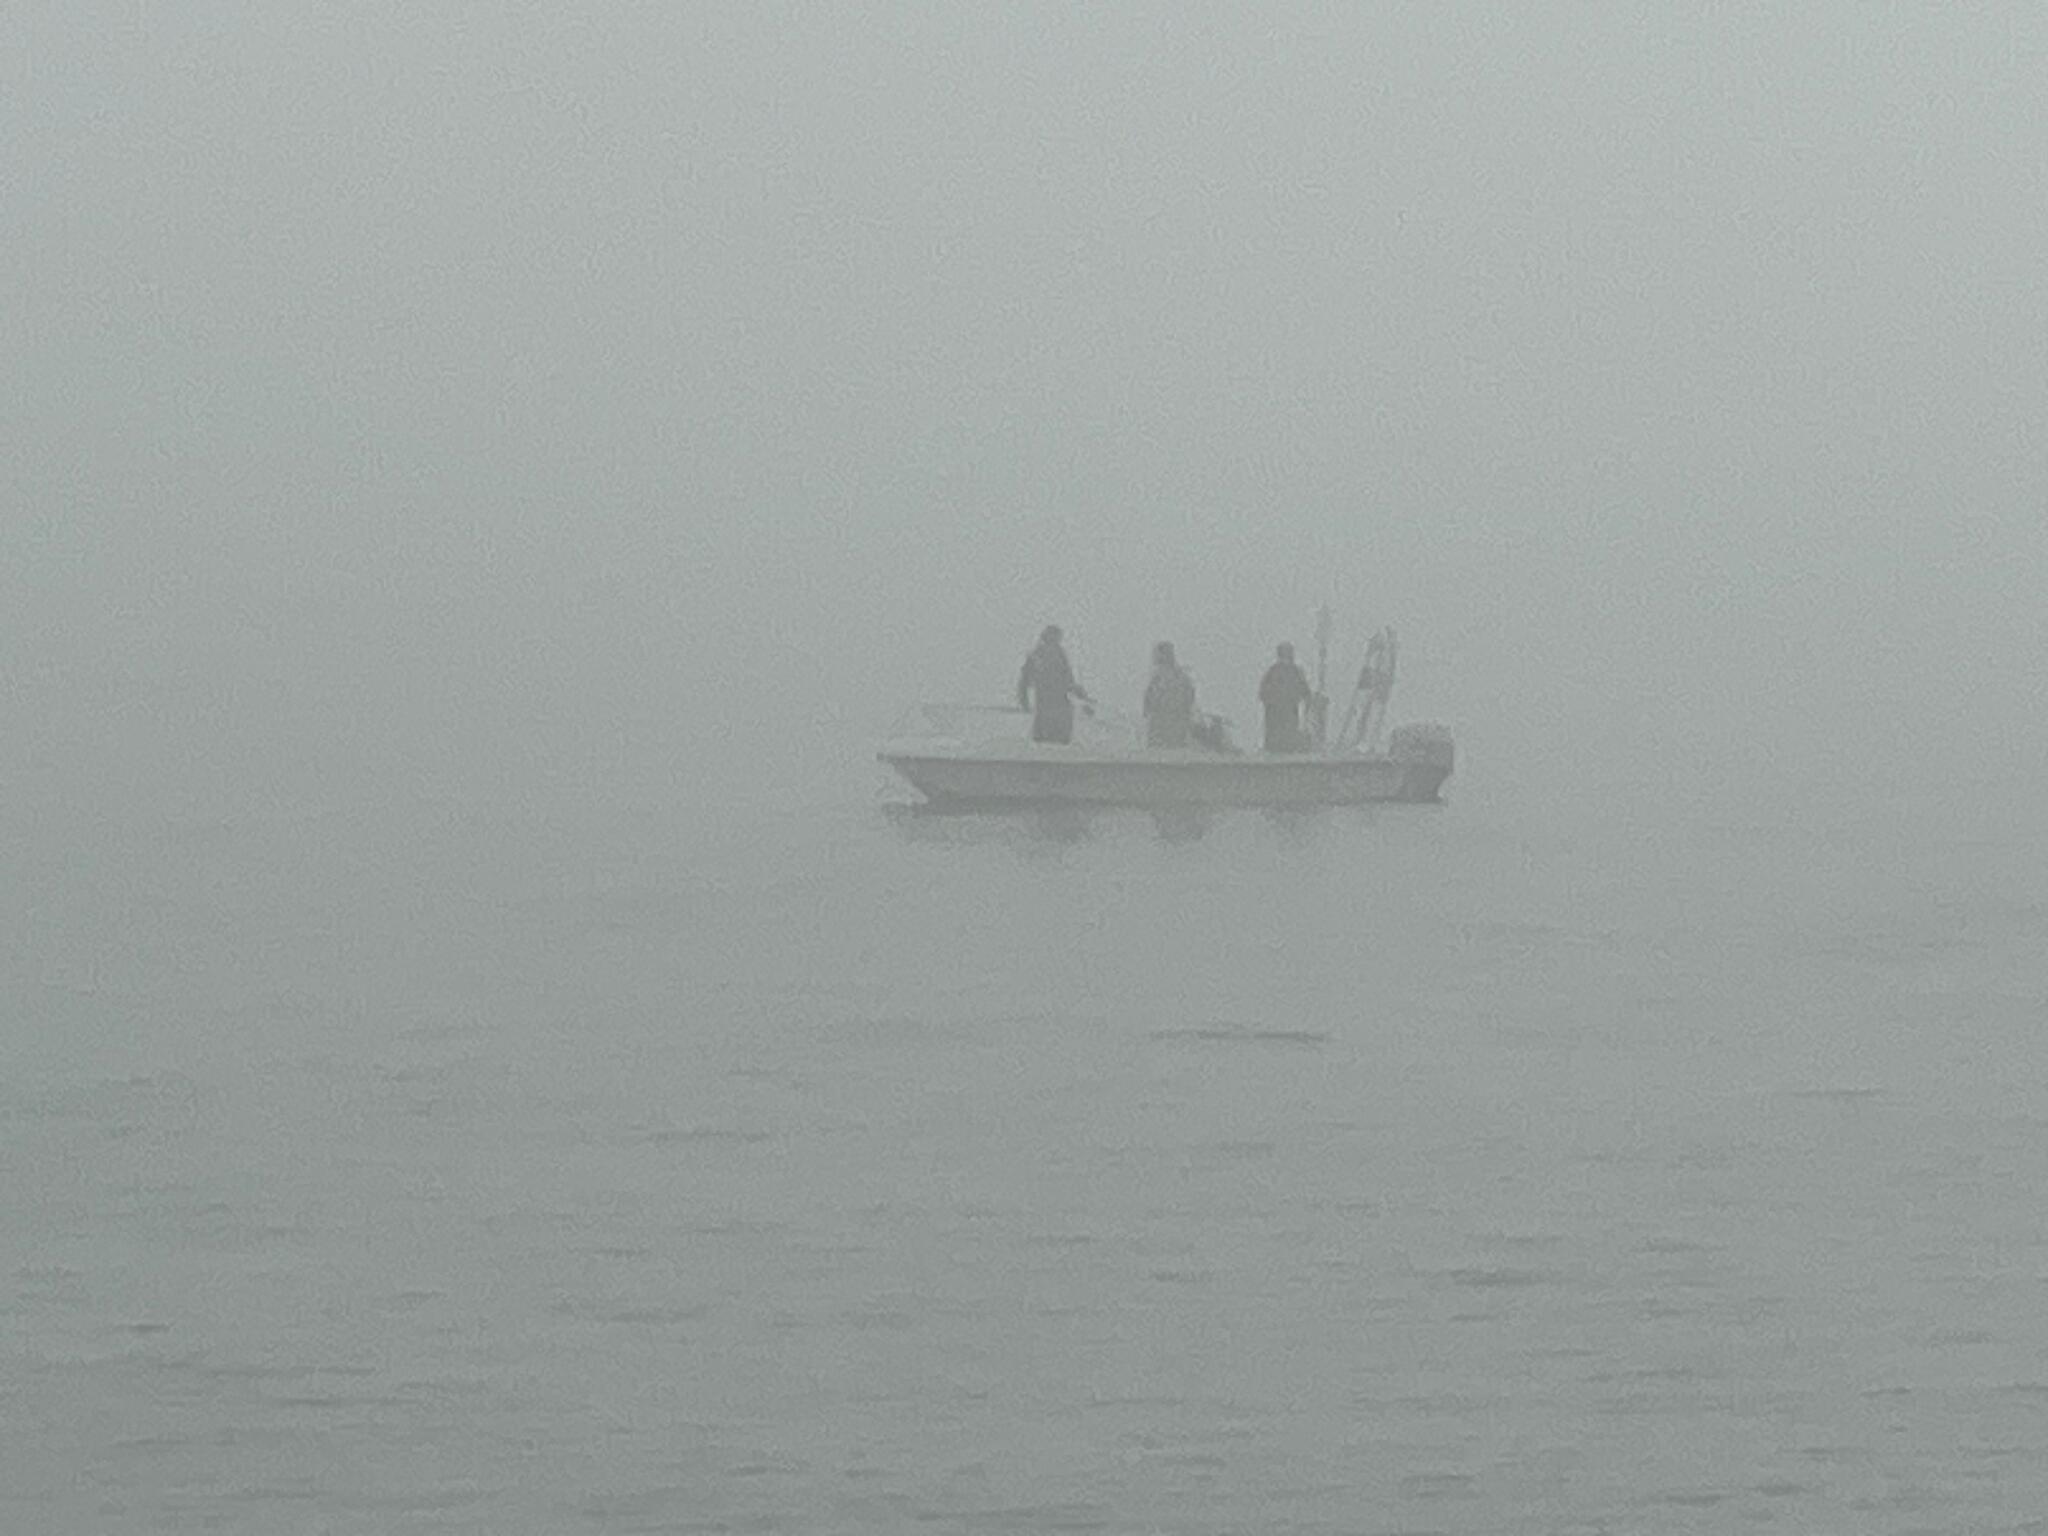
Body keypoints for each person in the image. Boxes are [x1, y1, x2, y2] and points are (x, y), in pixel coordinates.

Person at [1017, 625, 1091, 744]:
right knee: (1050, 744)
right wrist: (1024, 701)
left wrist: (1083, 697)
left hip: (1056, 708)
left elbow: (1068, 680)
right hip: (1049, 708)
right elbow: (1025, 681)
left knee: (1052, 744)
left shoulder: (1056, 654)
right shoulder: (1038, 655)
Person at [1259, 641, 1313, 753]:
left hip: (1286, 713)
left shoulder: (1288, 671)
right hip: (1278, 714)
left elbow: (1306, 692)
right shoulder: (1277, 671)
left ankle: (1281, 751)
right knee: (1279, 740)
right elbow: (1263, 694)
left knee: (1286, 739)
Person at [1142, 641, 1198, 749]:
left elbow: (1189, 699)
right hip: (1161, 728)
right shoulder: (1158, 678)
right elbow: (1148, 702)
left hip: (1173, 727)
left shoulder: (1179, 678)